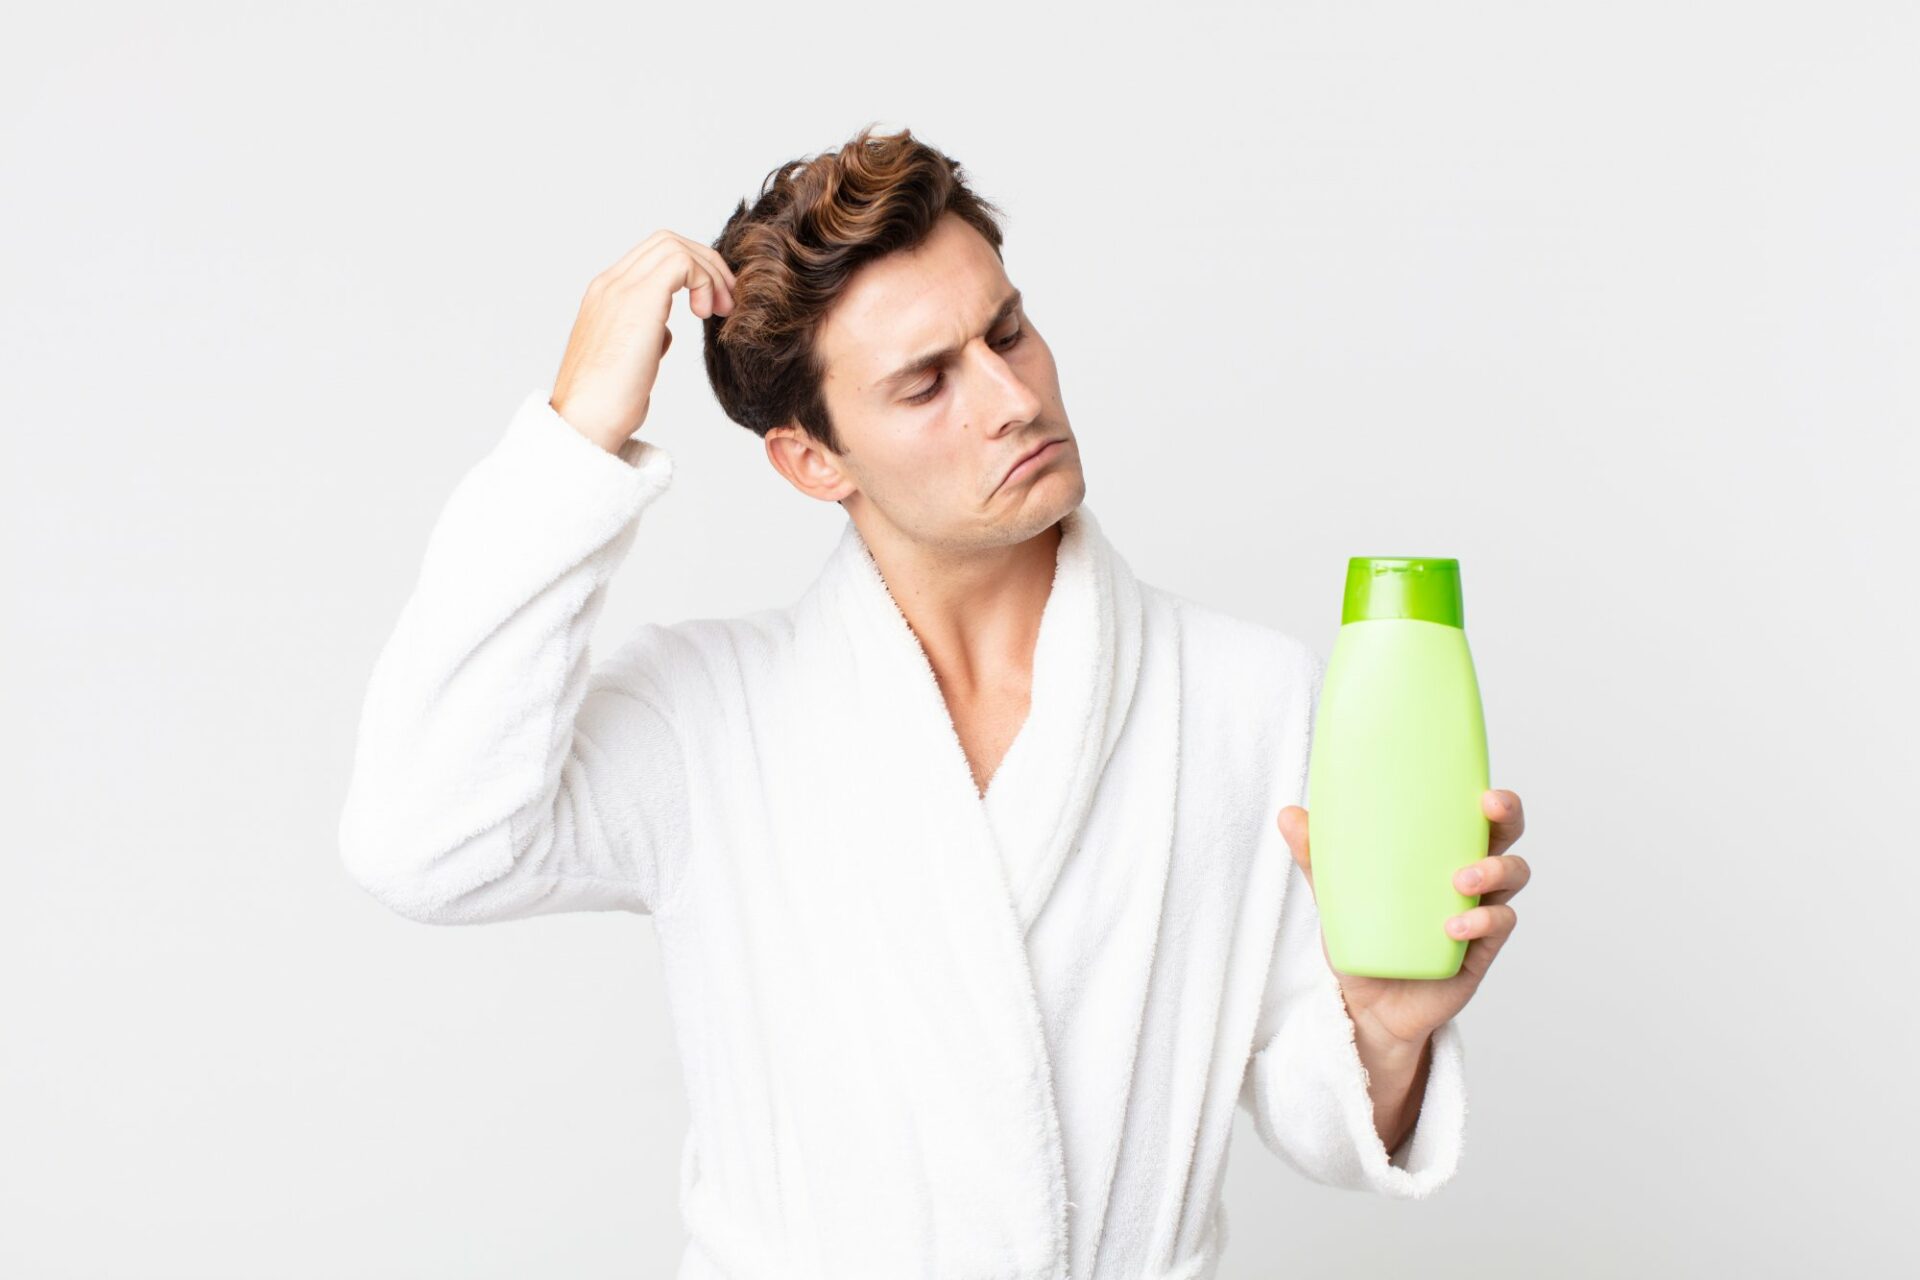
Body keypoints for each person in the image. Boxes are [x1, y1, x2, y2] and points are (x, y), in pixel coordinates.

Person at [338, 123, 1530, 1280]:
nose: (1010, 397)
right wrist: (576, 438)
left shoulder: (1245, 696)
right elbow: (423, 839)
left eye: (1008, 331)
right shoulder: (708, 717)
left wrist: (1386, 1029)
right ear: (813, 460)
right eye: (926, 383)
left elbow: (1317, 1110)